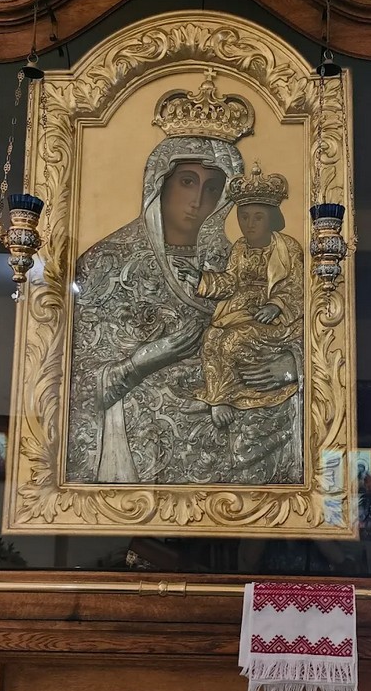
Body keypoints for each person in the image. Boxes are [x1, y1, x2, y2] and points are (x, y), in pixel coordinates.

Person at [66, 72, 301, 485]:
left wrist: (293, 364)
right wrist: (142, 361)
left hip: (242, 429)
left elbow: (297, 318)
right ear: (160, 184)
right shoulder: (106, 263)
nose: (197, 200)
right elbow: (74, 385)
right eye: (187, 182)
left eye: (212, 188)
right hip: (146, 444)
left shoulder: (241, 257)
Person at [175, 164, 303, 429]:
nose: (249, 224)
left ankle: (234, 396)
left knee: (233, 341)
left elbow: (296, 285)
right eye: (244, 217)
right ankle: (218, 398)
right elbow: (230, 282)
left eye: (258, 217)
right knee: (212, 337)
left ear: (271, 218)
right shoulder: (240, 248)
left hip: (276, 320)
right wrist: (199, 278)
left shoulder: (287, 247)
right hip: (238, 311)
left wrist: (276, 305)